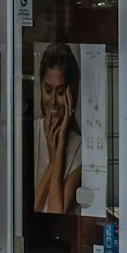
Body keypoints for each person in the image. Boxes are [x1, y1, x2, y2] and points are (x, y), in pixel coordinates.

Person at [31, 41, 82, 215]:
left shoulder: (79, 147)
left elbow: (56, 211)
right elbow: (33, 207)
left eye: (60, 92)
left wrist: (58, 151)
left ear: (71, 93)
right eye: (47, 90)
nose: (53, 101)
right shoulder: (30, 132)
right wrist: (53, 162)